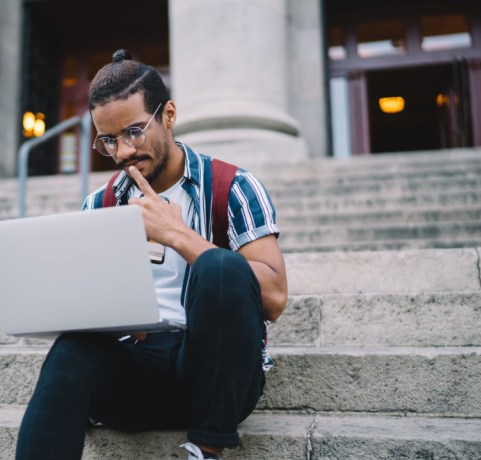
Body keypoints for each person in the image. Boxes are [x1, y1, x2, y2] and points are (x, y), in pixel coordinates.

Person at [15, 49, 288, 460]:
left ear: (169, 115)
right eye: (109, 141)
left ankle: (207, 450)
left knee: (220, 266)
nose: (123, 151)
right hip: (134, 376)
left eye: (134, 132)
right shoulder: (101, 204)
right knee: (71, 349)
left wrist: (178, 235)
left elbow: (275, 297)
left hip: (217, 376)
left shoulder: (233, 186)